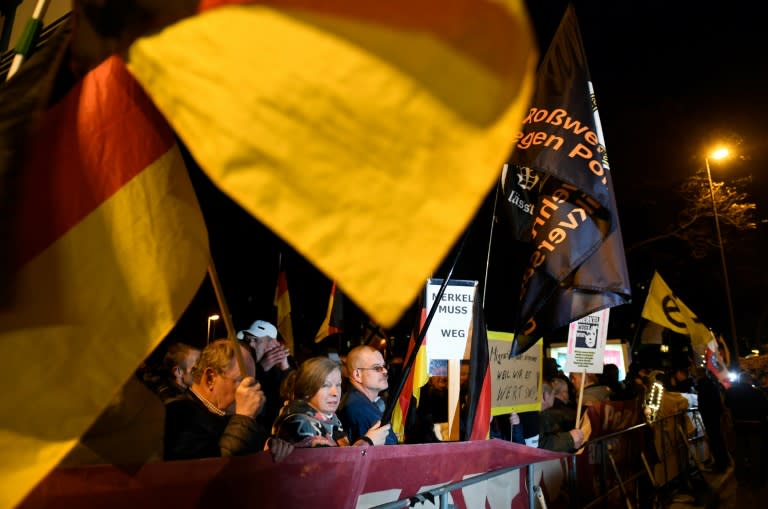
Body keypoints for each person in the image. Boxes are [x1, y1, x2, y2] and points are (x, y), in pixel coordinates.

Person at [163, 339, 292, 461]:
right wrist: (244, 418)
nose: (251, 392)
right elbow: (215, 471)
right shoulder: (180, 416)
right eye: (242, 381)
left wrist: (270, 446)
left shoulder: (226, 412)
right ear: (210, 378)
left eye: (252, 382)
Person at [272, 356, 391, 447]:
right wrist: (369, 442)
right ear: (307, 389)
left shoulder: (330, 419)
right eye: (326, 385)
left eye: (338, 384)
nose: (335, 393)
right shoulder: (298, 423)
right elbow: (330, 469)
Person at [237, 320, 294, 428]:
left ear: (272, 344)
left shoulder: (284, 367)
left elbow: (295, 398)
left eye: (255, 340)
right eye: (247, 339)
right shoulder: (241, 363)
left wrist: (285, 368)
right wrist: (261, 368)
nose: (250, 344)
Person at [337, 345, 398, 444]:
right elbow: (389, 445)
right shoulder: (358, 406)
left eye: (384, 366)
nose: (385, 371)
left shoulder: (359, 401)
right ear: (357, 375)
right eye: (377, 368)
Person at [539, 380, 585, 453]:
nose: (554, 397)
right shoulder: (537, 417)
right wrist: (570, 438)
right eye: (553, 394)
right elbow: (540, 445)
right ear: (545, 395)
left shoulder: (544, 413)